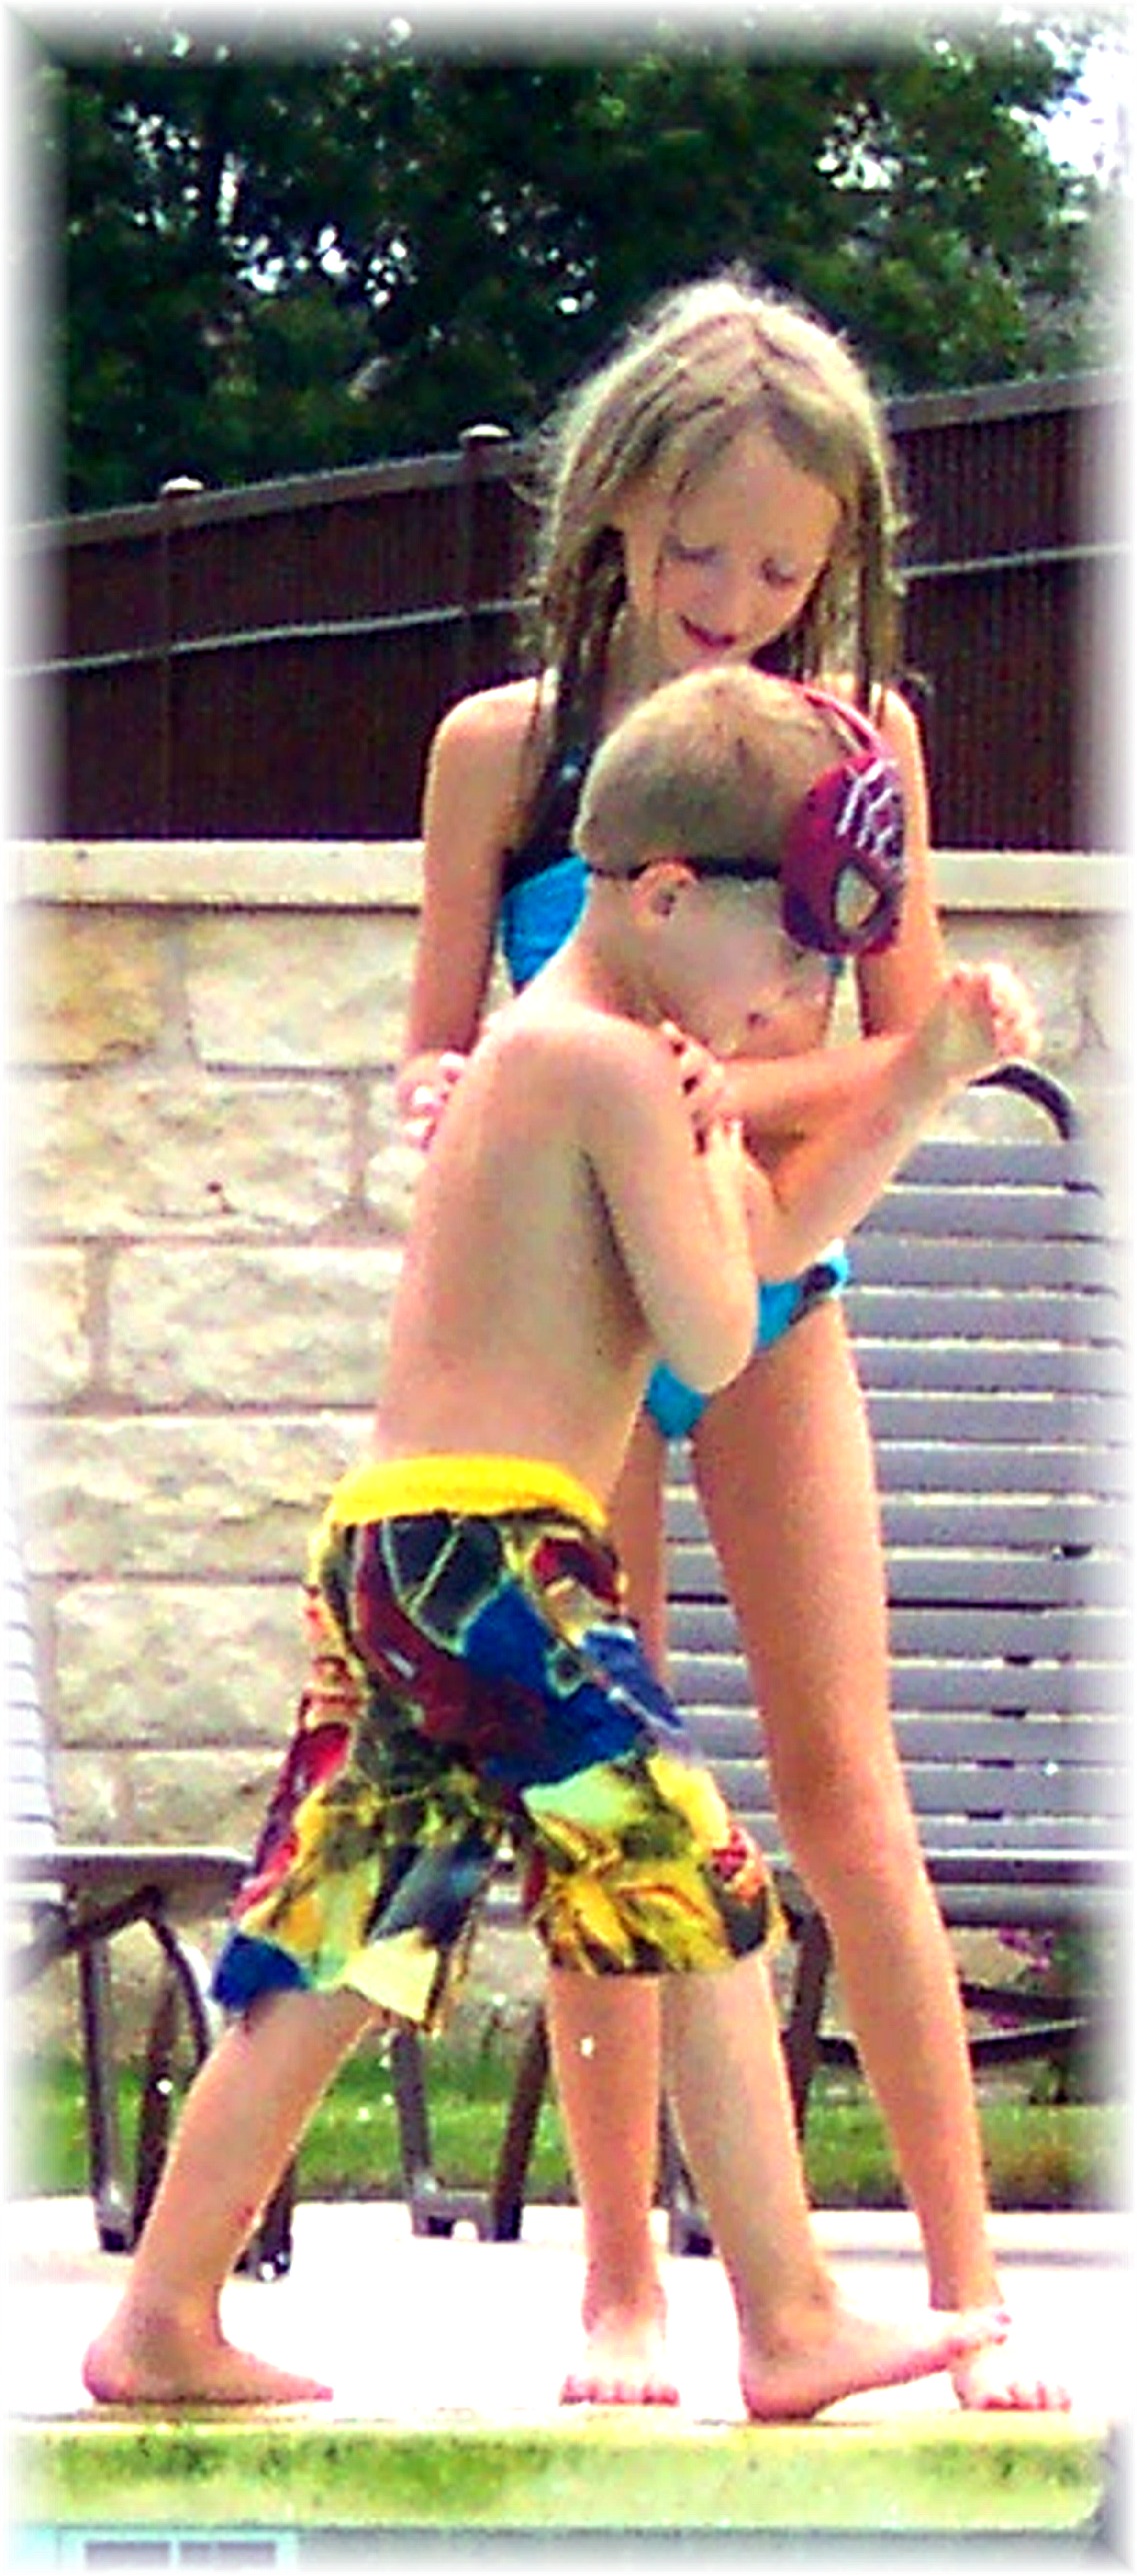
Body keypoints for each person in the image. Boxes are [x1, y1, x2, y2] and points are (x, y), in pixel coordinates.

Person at [79, 664, 1028, 2419]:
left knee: (345, 1935)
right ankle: (788, 2316)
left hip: (409, 1557)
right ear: (663, 894)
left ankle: (160, 2319)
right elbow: (714, 1335)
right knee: (700, 1891)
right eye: (790, 948)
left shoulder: (604, 1055)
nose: (802, 997)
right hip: (496, 1561)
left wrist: (904, 1090)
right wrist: (711, 1122)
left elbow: (770, 1240)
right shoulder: (594, 1061)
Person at [397, 270, 1068, 2413]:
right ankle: (620, 2278)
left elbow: (899, 1051)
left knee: (843, 1779)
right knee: (611, 1781)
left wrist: (681, 1085)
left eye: (782, 571)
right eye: (697, 553)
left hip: (769, 1281)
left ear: (836, 559)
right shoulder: (506, 753)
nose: (733, 604)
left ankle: (960, 2283)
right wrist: (461, 1091)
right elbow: (440, 1044)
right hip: (579, 1321)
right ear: (612, 506)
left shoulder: (852, 752)